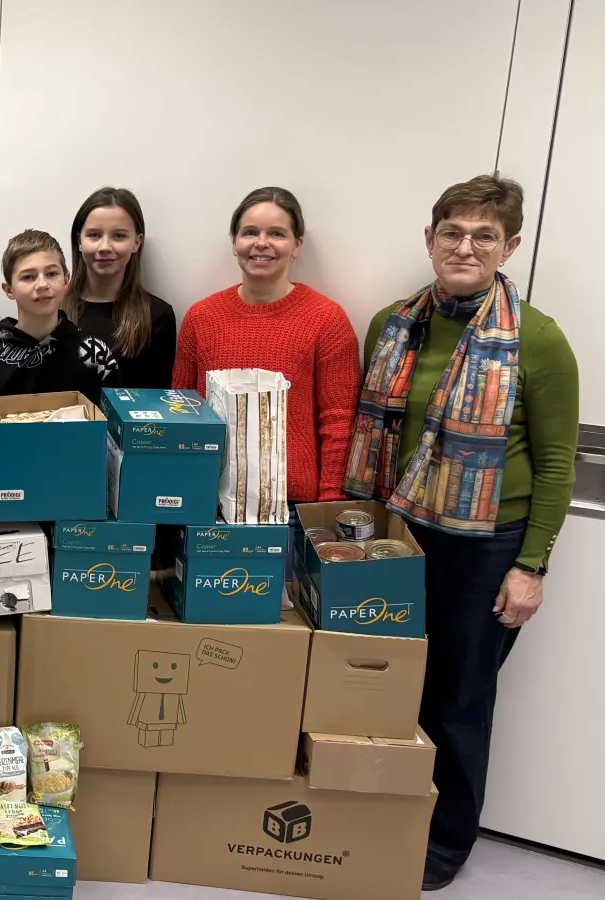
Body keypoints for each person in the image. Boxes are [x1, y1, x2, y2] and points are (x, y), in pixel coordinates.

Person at [343, 175, 578, 892]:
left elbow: (557, 464)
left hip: (486, 546)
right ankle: (379, 817)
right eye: (453, 232)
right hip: (397, 533)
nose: (465, 247)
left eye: (485, 236)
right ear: (430, 238)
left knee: (458, 699)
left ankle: (445, 844)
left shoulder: (538, 339)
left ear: (511, 246)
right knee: (384, 685)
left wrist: (531, 565)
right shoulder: (393, 323)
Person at [172, 186, 359, 504]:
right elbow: (182, 411)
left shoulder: (327, 320)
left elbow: (338, 420)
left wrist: (330, 502)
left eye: (277, 233)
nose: (261, 243)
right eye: (250, 232)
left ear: (297, 245)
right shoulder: (201, 318)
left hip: (294, 508)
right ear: (234, 242)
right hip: (209, 501)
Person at [0, 229, 118, 398]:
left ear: (66, 280)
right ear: (8, 289)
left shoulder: (94, 354)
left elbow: (118, 410)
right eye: (28, 277)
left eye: (51, 274)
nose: (42, 284)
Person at [66, 187, 176, 388]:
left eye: (118, 236)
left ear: (137, 242)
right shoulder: (53, 309)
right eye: (94, 235)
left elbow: (159, 399)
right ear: (79, 241)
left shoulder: (157, 316)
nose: (105, 247)